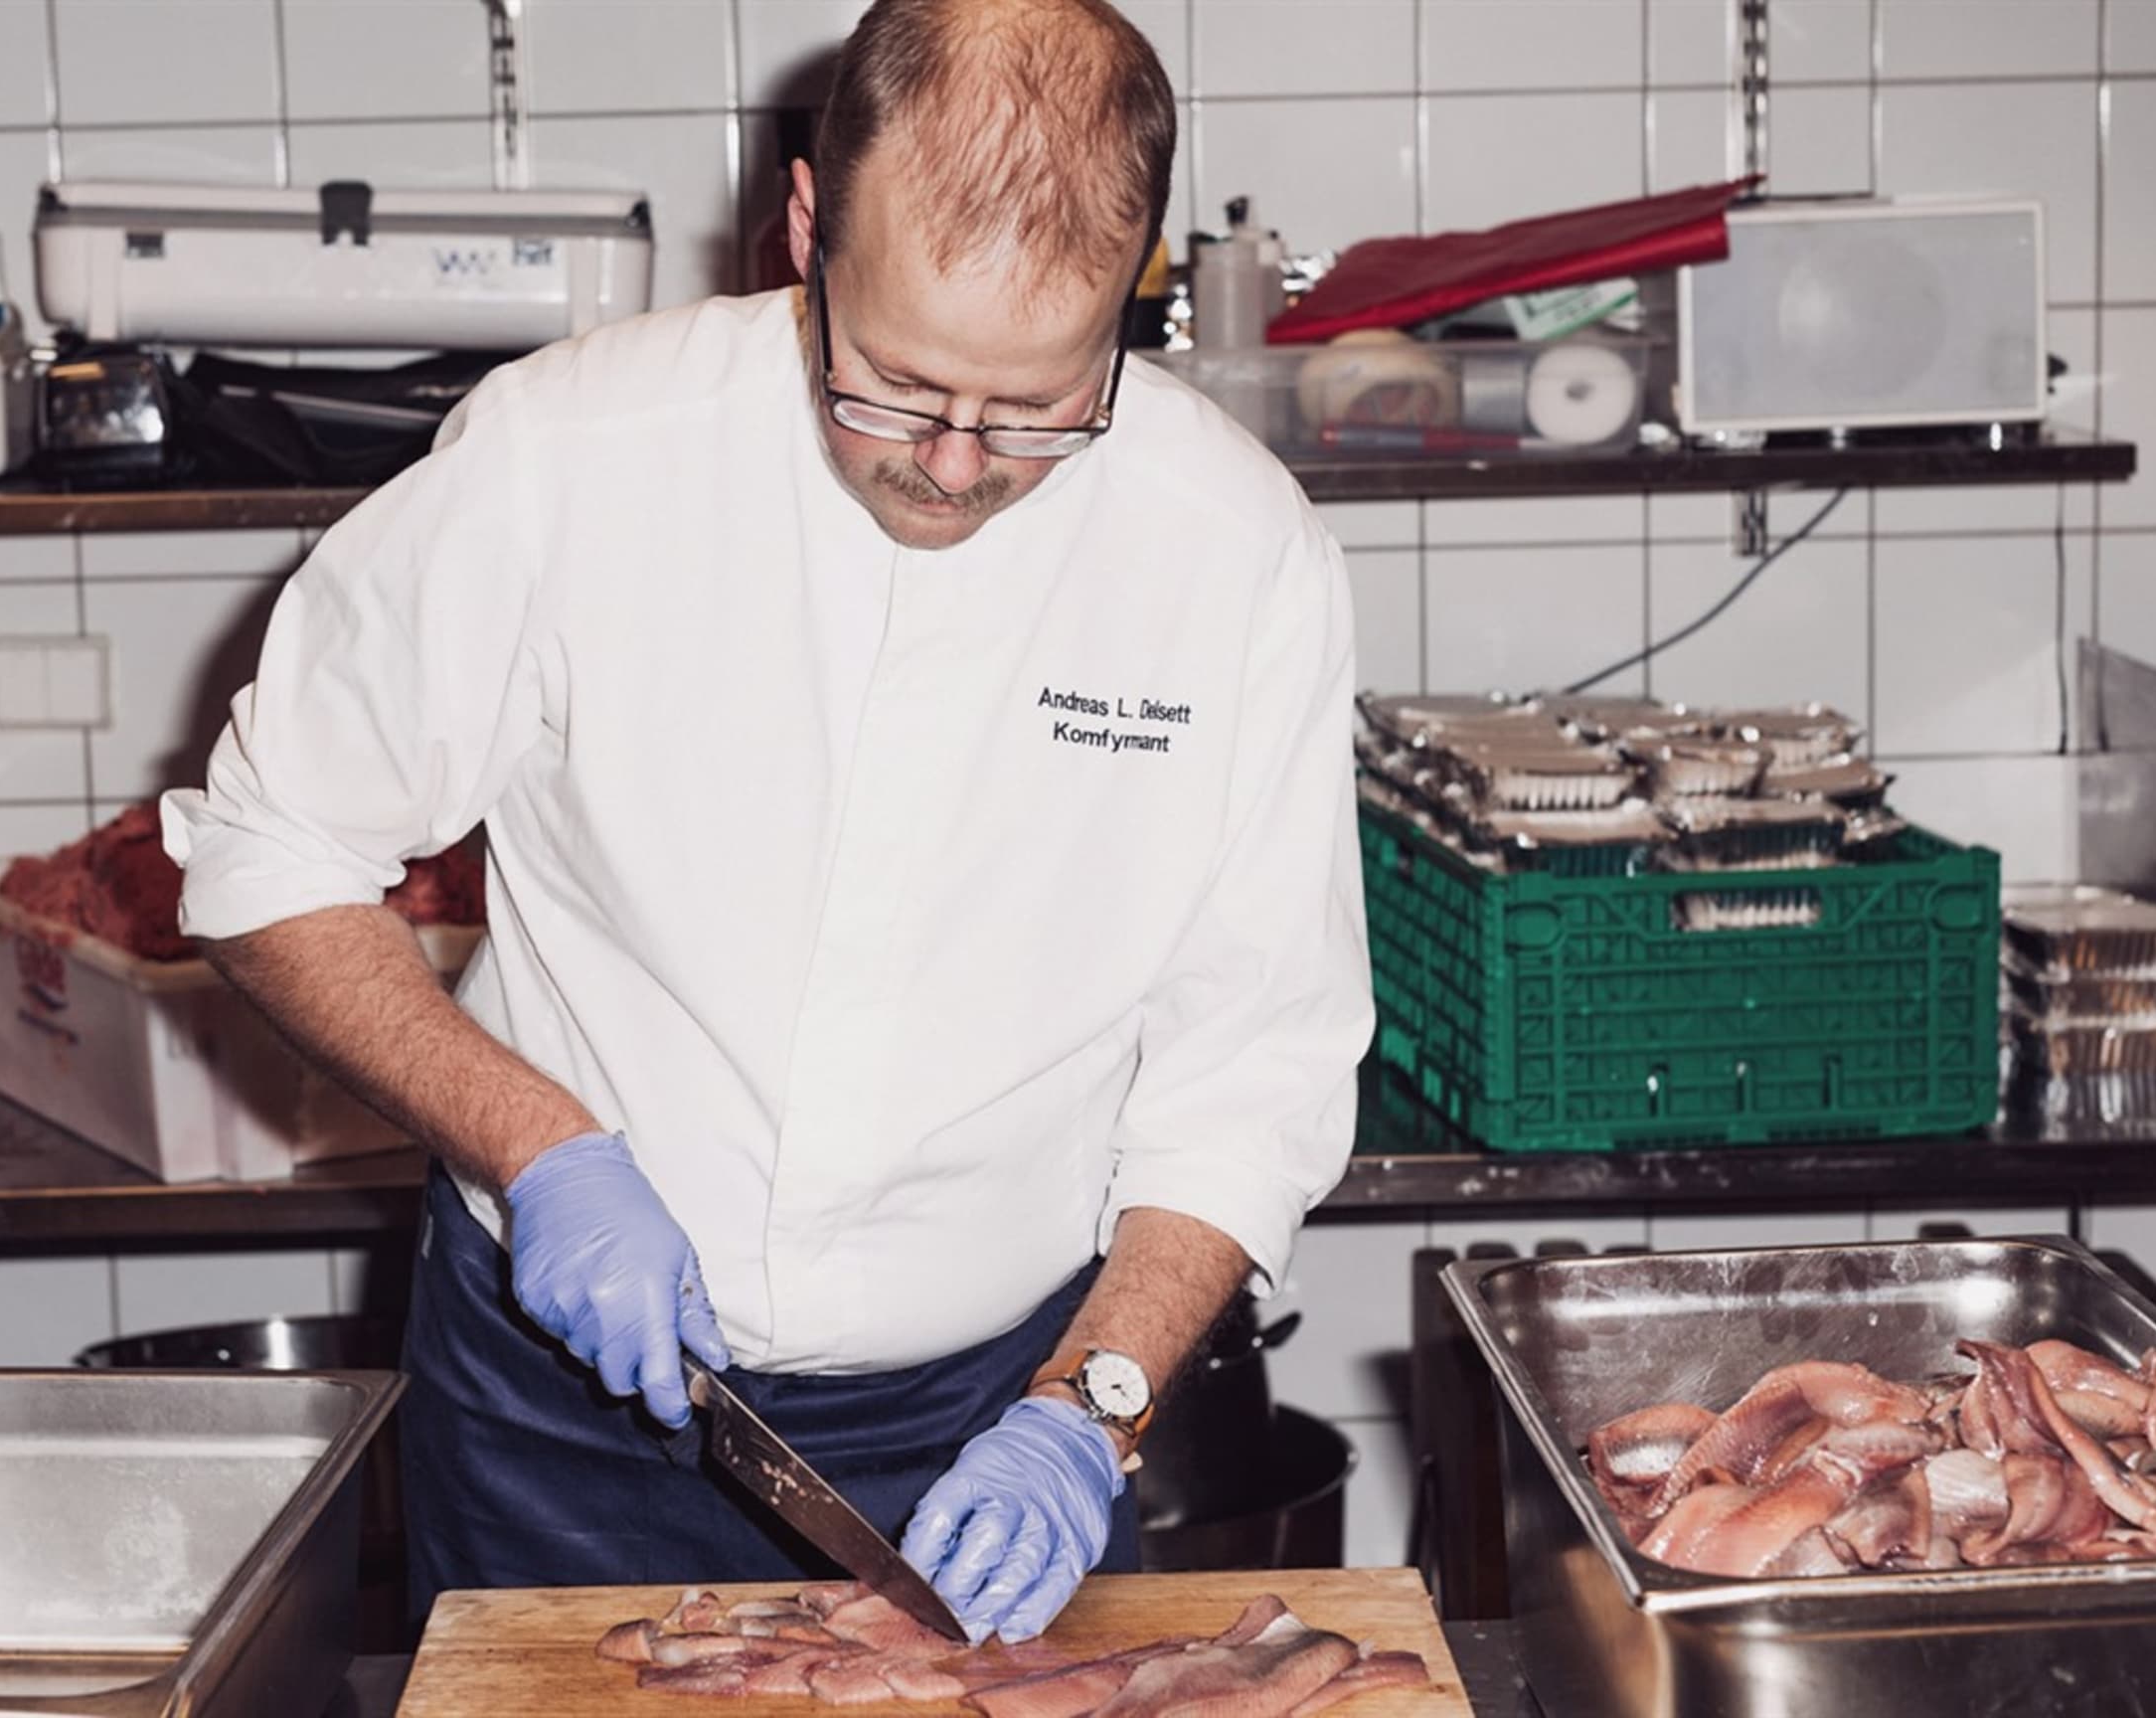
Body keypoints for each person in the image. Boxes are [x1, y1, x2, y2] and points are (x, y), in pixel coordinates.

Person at [160, 0, 1370, 1646]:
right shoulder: (570, 458)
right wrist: (541, 1145)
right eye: (895, 382)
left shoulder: (1237, 556)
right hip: (556, 1420)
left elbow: (1256, 1074)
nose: (953, 463)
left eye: (1035, 409)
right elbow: (269, 853)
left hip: (1000, 1416)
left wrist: (1091, 1409)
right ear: (806, 229)